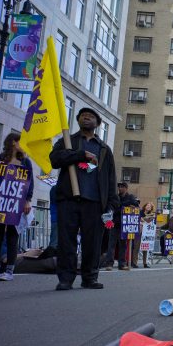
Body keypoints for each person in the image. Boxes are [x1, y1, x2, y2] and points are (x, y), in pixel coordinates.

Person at [50, 107, 118, 290]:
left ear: (97, 124)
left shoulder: (104, 149)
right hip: (69, 199)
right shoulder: (68, 141)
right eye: (83, 116)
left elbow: (111, 178)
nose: (86, 118)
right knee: (67, 241)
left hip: (95, 203)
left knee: (93, 243)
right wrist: (79, 155)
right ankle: (65, 278)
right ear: (78, 120)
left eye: (91, 116)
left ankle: (90, 277)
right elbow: (54, 159)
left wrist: (112, 204)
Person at [0, 133, 34, 281]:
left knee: (12, 236)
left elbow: (29, 183)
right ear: (14, 142)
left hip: (16, 203)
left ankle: (9, 271)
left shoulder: (25, 162)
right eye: (22, 142)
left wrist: (27, 200)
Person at [104, 182, 139, 271]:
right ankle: (109, 264)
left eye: (122, 187)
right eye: (119, 187)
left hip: (124, 225)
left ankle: (122, 264)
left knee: (123, 245)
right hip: (114, 223)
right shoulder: (116, 197)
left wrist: (122, 205)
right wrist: (124, 205)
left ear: (126, 188)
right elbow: (114, 206)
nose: (120, 188)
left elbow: (135, 204)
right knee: (111, 244)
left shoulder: (130, 196)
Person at [139, 202, 156, 268]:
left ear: (151, 208)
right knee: (136, 246)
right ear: (145, 206)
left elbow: (150, 221)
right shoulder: (140, 212)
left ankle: (145, 263)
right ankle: (133, 262)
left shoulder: (152, 214)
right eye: (147, 205)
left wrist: (144, 219)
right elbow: (140, 219)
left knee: (145, 247)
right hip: (140, 231)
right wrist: (144, 219)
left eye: (150, 206)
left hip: (146, 232)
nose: (148, 206)